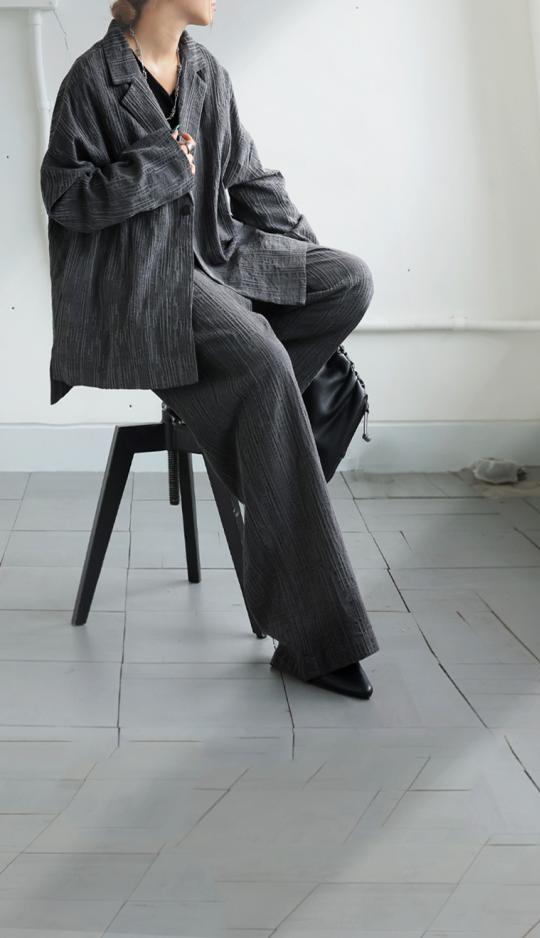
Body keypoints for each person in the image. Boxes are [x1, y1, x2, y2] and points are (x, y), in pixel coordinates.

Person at [40, 0, 380, 699]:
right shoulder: (93, 78)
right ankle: (315, 640)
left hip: (219, 260)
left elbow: (250, 182)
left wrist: (303, 251)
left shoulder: (205, 72)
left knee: (348, 280)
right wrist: (158, 167)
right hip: (143, 285)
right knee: (265, 361)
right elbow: (66, 199)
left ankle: (265, 442)